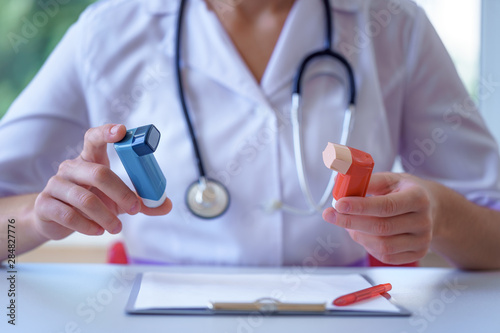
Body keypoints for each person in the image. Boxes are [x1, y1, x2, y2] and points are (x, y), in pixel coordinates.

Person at [1, 0, 500, 269]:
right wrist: (40, 218)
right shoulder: (108, 30)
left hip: (344, 314)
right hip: (155, 313)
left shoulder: (394, 25)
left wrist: (438, 213)